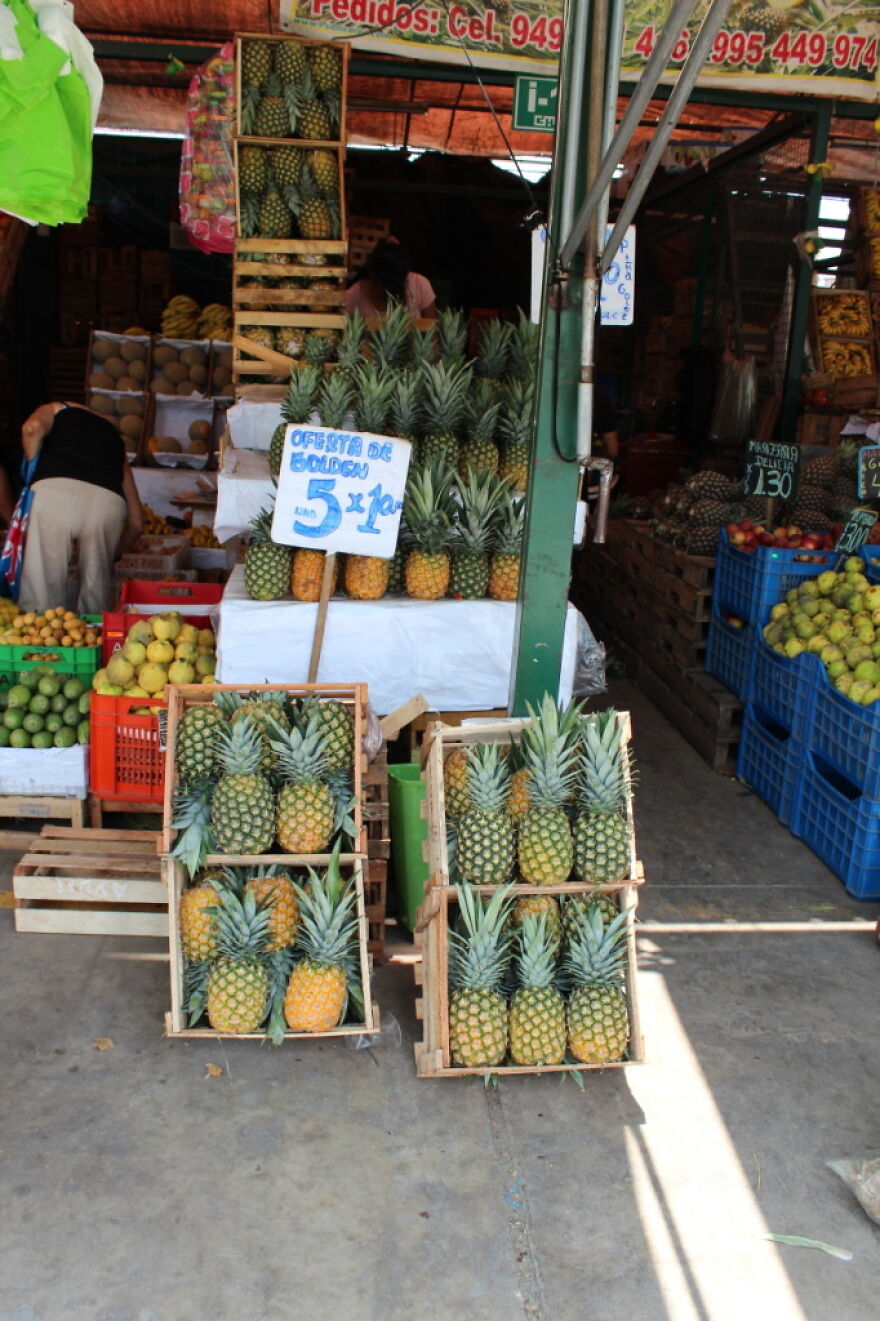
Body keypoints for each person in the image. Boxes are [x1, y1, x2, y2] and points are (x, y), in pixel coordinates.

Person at [17, 401, 144, 613]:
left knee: (40, 595)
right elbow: (137, 524)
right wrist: (112, 554)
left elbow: (32, 429)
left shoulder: (59, 409)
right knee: (95, 598)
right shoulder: (114, 441)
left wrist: (31, 471)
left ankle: (36, 641)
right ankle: (94, 639)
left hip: (54, 494)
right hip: (106, 504)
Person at [345, 238, 437, 320]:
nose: (379, 288)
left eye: (385, 284)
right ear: (370, 273)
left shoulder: (419, 284)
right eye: (376, 282)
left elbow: (432, 330)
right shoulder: (355, 296)